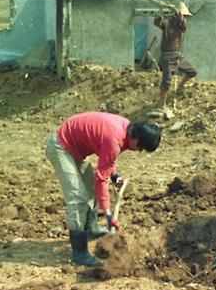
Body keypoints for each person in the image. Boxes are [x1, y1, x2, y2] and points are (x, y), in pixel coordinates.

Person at [45, 112, 162, 266]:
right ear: (136, 137)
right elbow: (102, 178)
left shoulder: (126, 129)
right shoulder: (115, 138)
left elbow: (107, 160)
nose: (139, 151)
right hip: (61, 147)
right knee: (78, 199)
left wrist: (115, 177)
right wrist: (107, 213)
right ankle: (79, 253)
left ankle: (91, 227)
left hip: (76, 150)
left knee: (91, 188)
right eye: (141, 147)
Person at [153, 1, 197, 108]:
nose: (185, 18)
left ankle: (180, 86)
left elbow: (180, 18)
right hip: (167, 57)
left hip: (177, 56)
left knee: (192, 72)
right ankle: (161, 105)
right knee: (166, 82)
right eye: (183, 15)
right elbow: (157, 22)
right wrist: (160, 9)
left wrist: (170, 7)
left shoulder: (181, 25)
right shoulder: (167, 23)